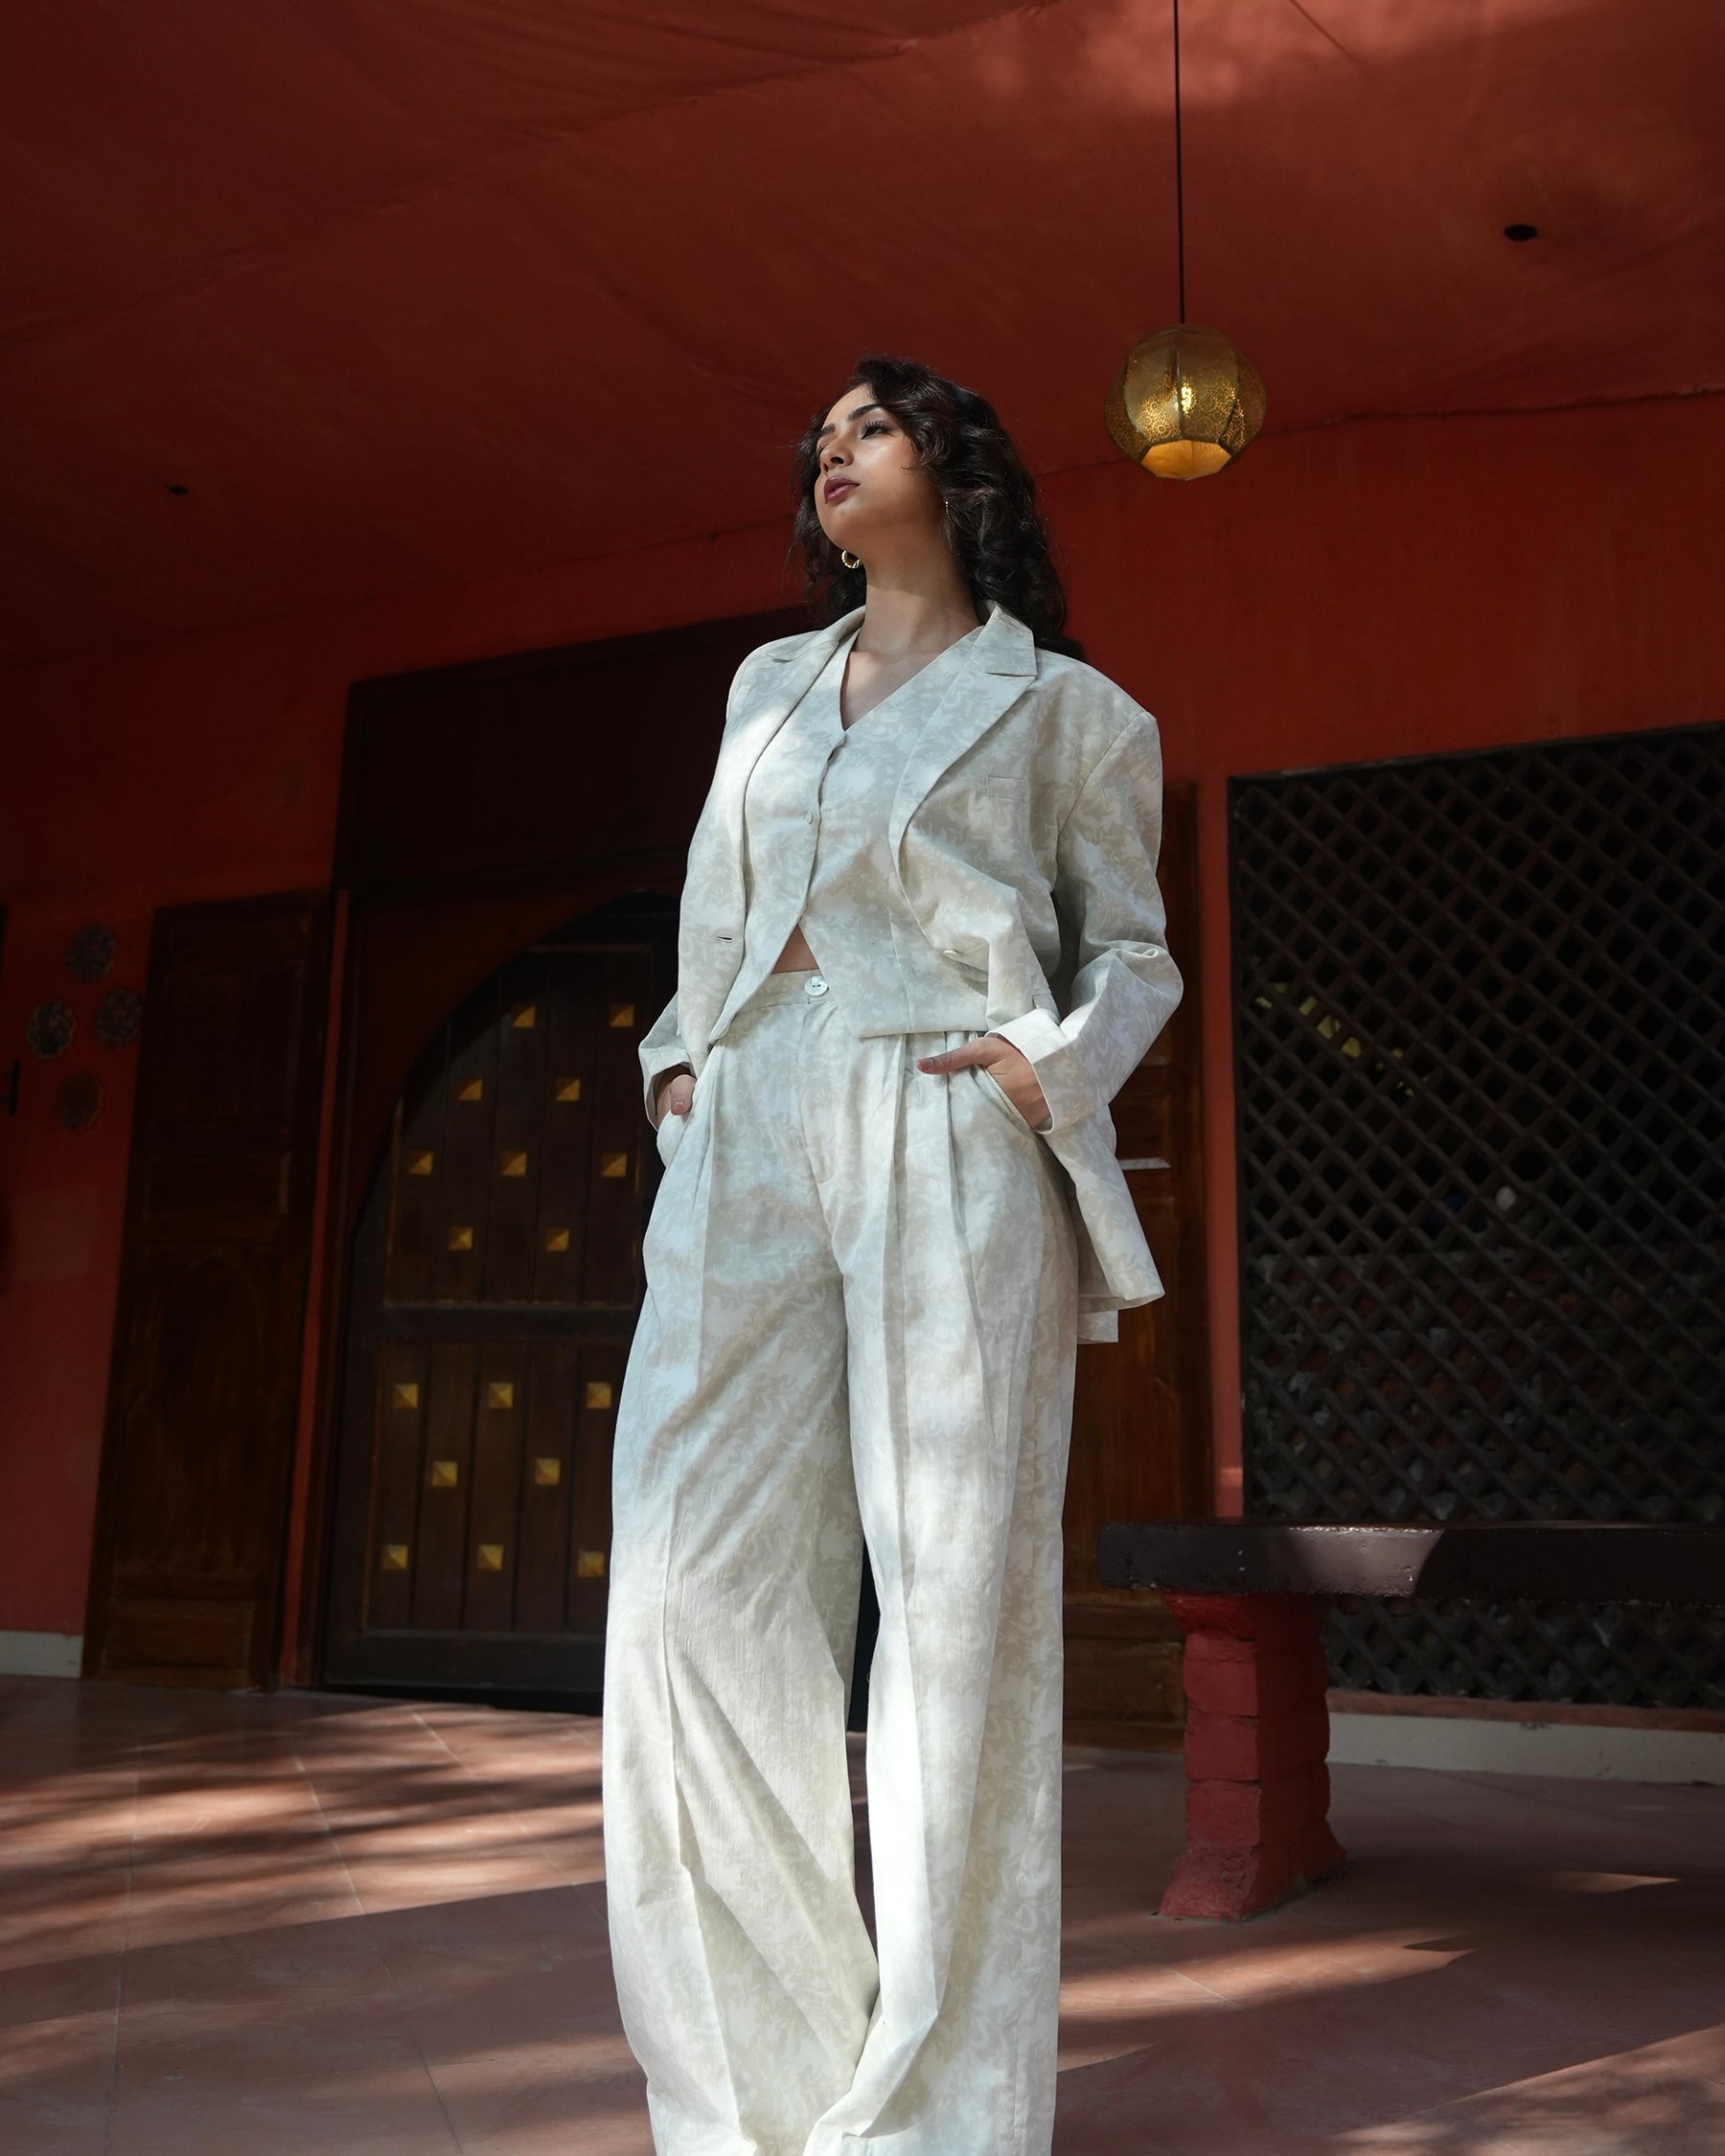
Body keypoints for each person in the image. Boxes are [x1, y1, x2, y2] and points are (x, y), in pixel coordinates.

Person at [601, 354, 1182, 2156]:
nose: (834, 451)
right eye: (822, 439)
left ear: (954, 461)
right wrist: (680, 1063)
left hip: (945, 1108)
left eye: (873, 424)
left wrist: (1043, 1064)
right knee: (686, 1591)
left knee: (953, 1611)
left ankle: (938, 2117)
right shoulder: (765, 685)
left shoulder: (1070, 709)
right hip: (746, 1117)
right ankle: (748, 2097)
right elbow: (714, 909)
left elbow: (1135, 952)